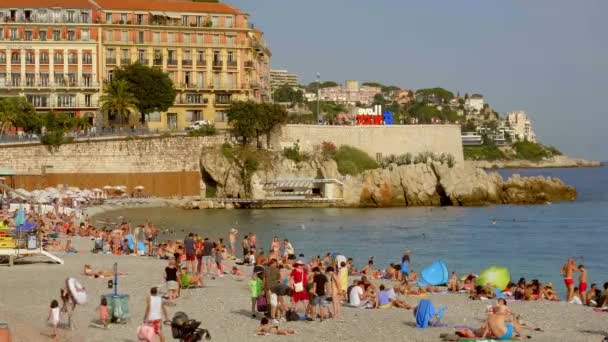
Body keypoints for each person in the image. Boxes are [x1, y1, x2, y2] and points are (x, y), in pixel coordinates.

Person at [456, 305, 523, 339]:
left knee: (502, 326)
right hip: (506, 334)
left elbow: (487, 328)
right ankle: (521, 336)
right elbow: (510, 319)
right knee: (513, 322)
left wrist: (482, 338)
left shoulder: (489, 317)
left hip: (499, 337)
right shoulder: (502, 315)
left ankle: (516, 335)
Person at [264, 259, 281, 323]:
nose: (276, 264)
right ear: (274, 263)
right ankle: (273, 317)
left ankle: (270, 315)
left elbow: (264, 279)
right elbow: (279, 279)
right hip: (274, 288)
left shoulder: (266, 269)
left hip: (268, 287)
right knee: (274, 302)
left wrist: (263, 287)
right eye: (276, 263)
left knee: (269, 302)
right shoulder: (277, 270)